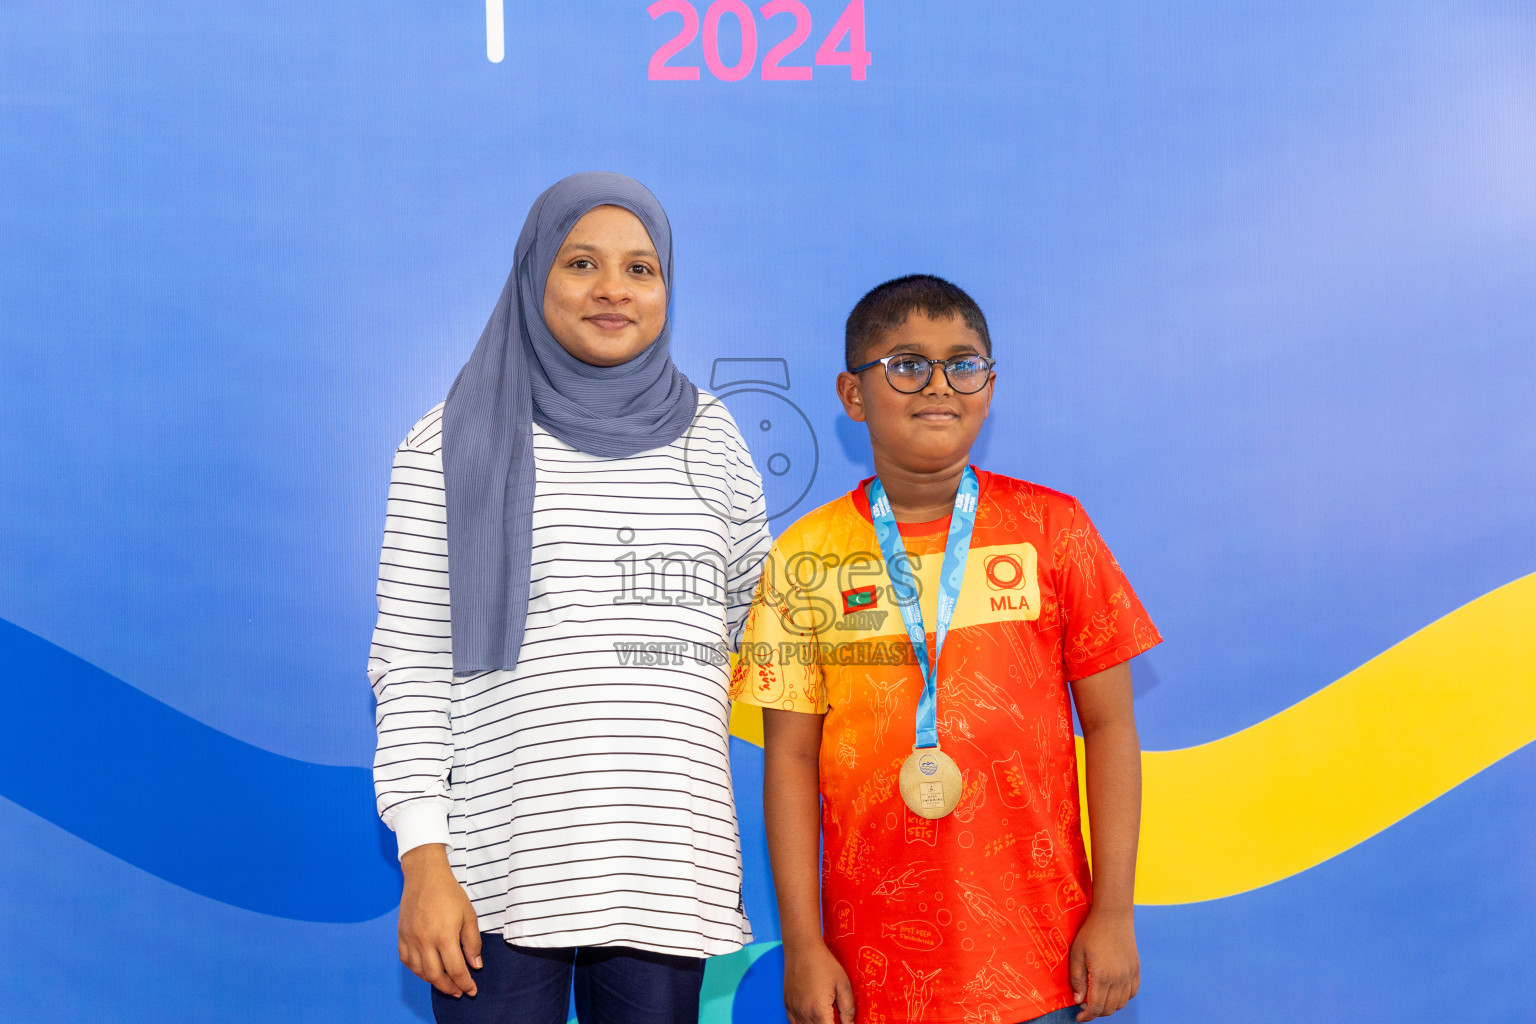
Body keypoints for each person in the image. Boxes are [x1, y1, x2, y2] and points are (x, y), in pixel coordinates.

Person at [367, 172, 771, 1024]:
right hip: (495, 868)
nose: (612, 289)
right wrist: (424, 861)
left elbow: (740, 620)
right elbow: (409, 667)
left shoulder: (719, 440)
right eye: (582, 262)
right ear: (533, 274)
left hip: (665, 867)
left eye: (641, 268)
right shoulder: (448, 441)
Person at [730, 274, 1160, 1024]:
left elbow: (1113, 728)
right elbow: (791, 761)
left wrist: (1114, 912)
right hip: (871, 970)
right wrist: (803, 943)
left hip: (1041, 955)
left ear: (989, 388)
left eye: (963, 364)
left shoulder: (1054, 529)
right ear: (853, 394)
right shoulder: (808, 556)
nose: (938, 385)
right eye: (905, 364)